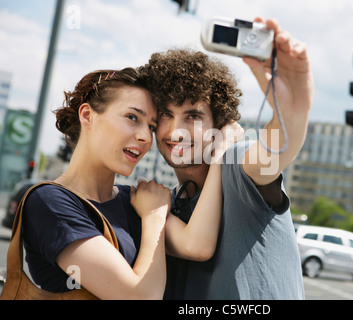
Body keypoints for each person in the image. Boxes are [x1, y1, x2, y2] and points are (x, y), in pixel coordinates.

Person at [22, 67, 239, 299]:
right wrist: (154, 218)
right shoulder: (50, 202)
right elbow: (140, 297)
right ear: (87, 116)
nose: (145, 137)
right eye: (132, 117)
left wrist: (220, 157)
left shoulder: (135, 200)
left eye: (151, 126)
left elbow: (198, 246)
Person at [140, 17, 313, 299]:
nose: (175, 131)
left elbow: (273, 154)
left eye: (193, 116)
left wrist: (292, 113)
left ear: (220, 123)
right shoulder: (165, 205)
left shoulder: (236, 161)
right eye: (166, 115)